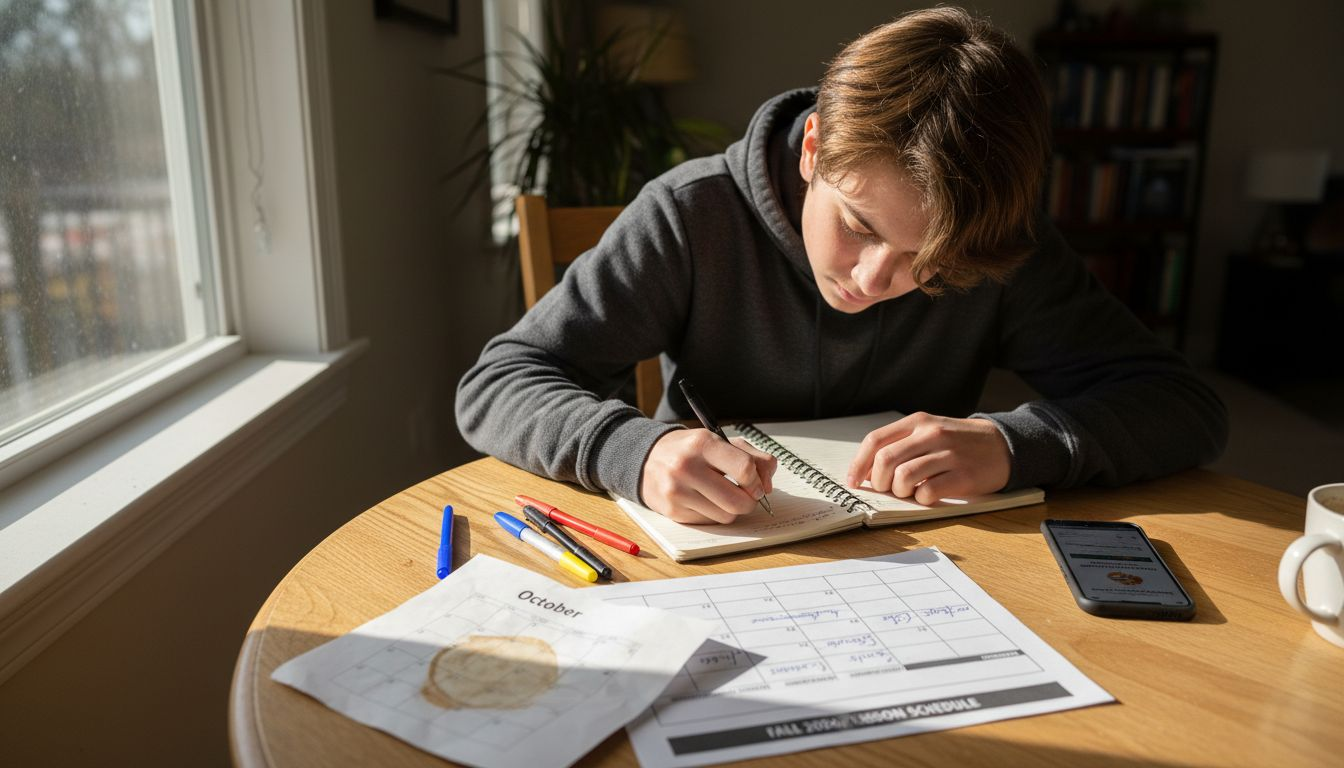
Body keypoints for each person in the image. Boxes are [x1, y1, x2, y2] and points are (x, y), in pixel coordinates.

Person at [456, 7, 1227, 525]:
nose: (873, 278)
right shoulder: (691, 217)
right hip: (710, 552)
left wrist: (1017, 444)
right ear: (815, 148)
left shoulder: (999, 247)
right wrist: (637, 450)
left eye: (928, 262)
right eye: (858, 226)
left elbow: (1184, 406)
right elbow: (499, 382)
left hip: (937, 567)